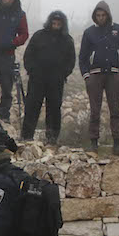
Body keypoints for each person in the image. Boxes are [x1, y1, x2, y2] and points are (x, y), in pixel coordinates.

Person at [78, 1, 119, 153]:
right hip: (95, 75)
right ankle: (94, 141)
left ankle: (117, 142)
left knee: (115, 109)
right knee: (95, 109)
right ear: (95, 16)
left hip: (114, 75)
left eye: (103, 15)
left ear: (108, 15)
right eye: (98, 15)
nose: (100, 18)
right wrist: (86, 75)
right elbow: (83, 57)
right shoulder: (89, 33)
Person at [22, 10, 76, 145]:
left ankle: (52, 138)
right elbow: (28, 55)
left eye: (59, 22)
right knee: (32, 107)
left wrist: (63, 74)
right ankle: (26, 136)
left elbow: (71, 61)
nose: (56, 24)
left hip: (56, 80)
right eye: (54, 22)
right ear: (49, 22)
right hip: (37, 79)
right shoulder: (39, 35)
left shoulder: (67, 40)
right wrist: (32, 70)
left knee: (54, 109)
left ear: (63, 24)